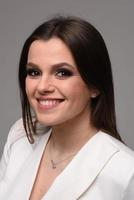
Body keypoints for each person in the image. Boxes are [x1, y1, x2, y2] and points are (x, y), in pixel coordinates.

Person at [0, 15, 134, 200]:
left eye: (62, 73)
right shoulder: (19, 138)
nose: (42, 86)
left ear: (94, 85)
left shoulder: (125, 172)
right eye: (34, 72)